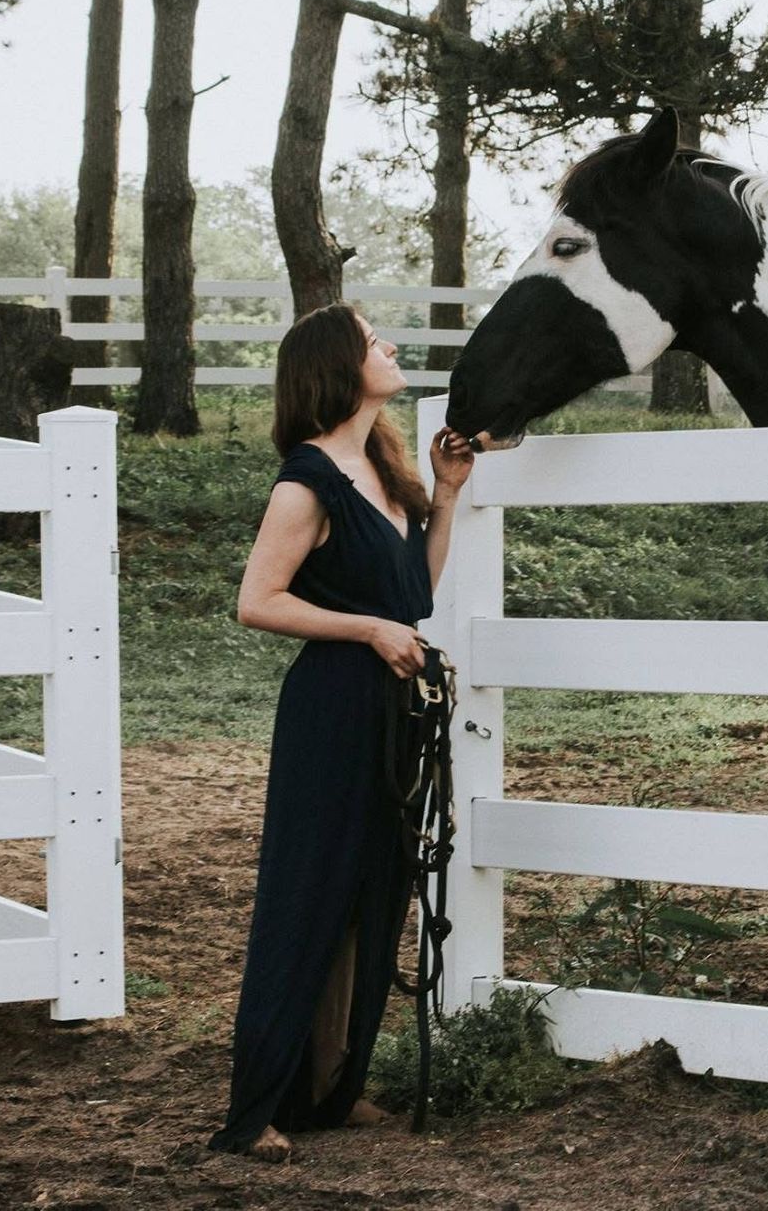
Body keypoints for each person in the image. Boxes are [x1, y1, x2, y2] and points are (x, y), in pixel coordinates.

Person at [209, 302, 474, 1162]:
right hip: (331, 709)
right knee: (310, 895)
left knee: (376, 894)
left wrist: (446, 497)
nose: (388, 346)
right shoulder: (308, 480)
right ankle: (258, 1107)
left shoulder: (381, 469)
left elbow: (414, 598)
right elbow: (259, 601)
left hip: (391, 709)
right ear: (337, 366)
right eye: (372, 341)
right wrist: (365, 631)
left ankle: (333, 1084)